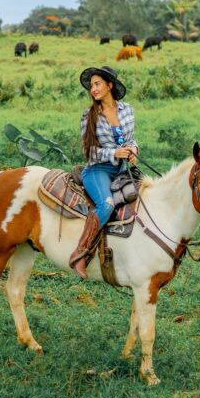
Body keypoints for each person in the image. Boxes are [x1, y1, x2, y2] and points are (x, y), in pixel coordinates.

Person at [69, 66, 139, 278]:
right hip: (97, 169)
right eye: (91, 86)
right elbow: (89, 152)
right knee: (106, 204)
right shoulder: (89, 116)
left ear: (110, 85)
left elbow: (131, 140)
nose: (93, 89)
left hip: (122, 171)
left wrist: (134, 149)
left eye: (97, 84)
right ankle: (80, 254)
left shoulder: (127, 110)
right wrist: (115, 153)